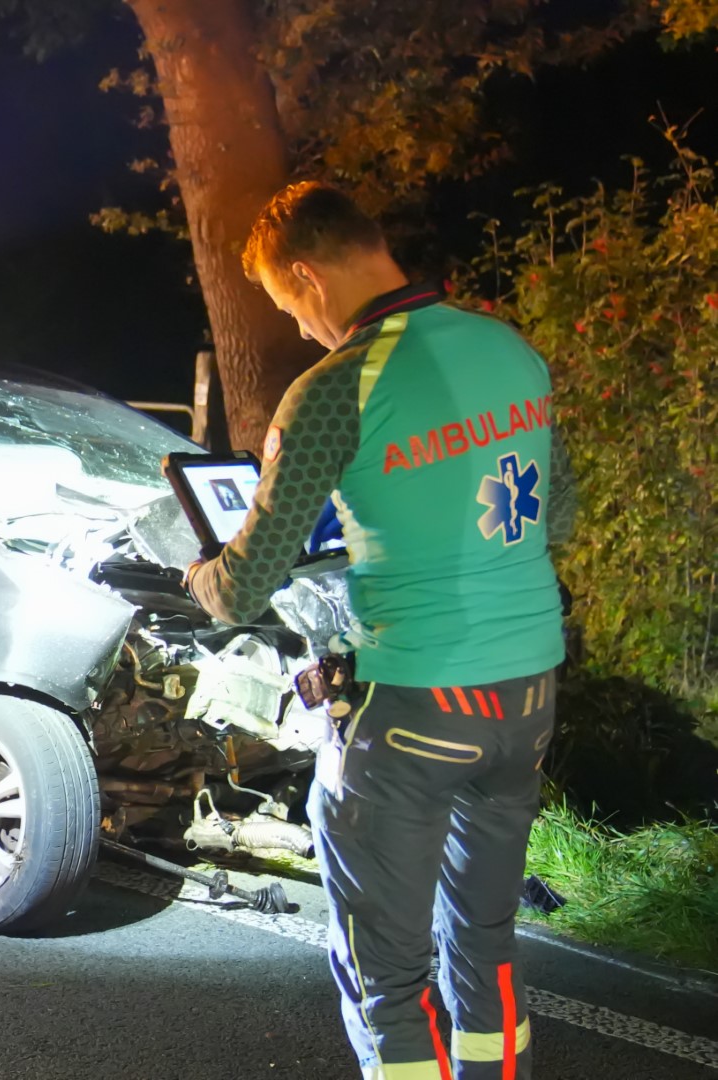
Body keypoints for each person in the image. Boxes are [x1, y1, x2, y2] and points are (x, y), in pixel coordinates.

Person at [182, 182, 575, 1080]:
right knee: (485, 939)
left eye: (291, 309)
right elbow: (555, 517)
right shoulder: (509, 350)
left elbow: (247, 580)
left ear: (309, 278)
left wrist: (194, 574)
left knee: (387, 980)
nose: (304, 330)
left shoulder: (333, 388)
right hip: (527, 697)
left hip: (414, 707)